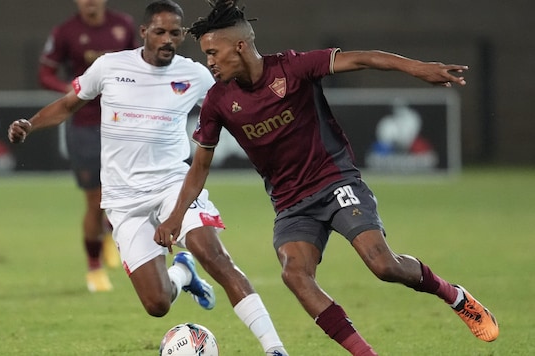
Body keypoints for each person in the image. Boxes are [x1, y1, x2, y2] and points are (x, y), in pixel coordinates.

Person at [155, 1, 499, 354]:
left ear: (239, 46)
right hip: (290, 204)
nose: (208, 61)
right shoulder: (217, 101)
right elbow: (199, 167)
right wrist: (175, 216)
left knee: (383, 264)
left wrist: (418, 69)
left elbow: (362, 58)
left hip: (335, 181)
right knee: (294, 274)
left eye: (213, 52)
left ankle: (455, 296)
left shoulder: (292, 68)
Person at [9, 1, 288, 355]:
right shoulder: (109, 67)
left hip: (174, 185)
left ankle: (274, 347)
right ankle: (183, 274)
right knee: (157, 304)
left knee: (212, 253)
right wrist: (30, 125)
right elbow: (67, 104)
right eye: (160, 31)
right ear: (144, 32)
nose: (168, 39)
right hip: (124, 201)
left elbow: (240, 103)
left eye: (175, 33)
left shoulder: (196, 75)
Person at [38, 0, 139, 292]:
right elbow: (45, 73)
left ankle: (109, 231)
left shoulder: (124, 26)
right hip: (84, 126)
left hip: (122, 123)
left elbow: (140, 62)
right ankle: (94, 267)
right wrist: (70, 91)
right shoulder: (65, 32)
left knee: (123, 194)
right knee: (94, 201)